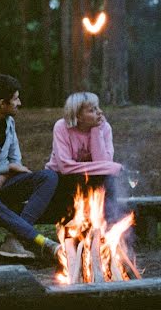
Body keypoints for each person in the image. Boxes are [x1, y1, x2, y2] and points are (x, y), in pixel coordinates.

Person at [0, 74, 59, 259]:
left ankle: (14, 239)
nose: (20, 103)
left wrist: (4, 175)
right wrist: (7, 169)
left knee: (49, 177)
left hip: (5, 180)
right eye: (15, 99)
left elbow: (16, 161)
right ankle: (42, 241)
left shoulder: (8, 119)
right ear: (2, 103)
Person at [44, 91, 123, 222]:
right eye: (92, 110)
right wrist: (109, 167)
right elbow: (65, 167)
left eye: (98, 107)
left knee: (107, 181)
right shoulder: (62, 127)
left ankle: (106, 229)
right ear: (78, 116)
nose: (100, 112)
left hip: (92, 179)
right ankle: (73, 233)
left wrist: (96, 130)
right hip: (62, 180)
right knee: (79, 180)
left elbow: (103, 164)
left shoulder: (104, 128)